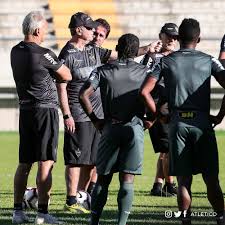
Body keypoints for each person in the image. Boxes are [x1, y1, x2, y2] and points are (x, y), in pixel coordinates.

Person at [57, 11, 158, 213]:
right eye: (89, 28)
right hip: (78, 114)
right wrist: (67, 114)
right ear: (78, 30)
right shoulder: (67, 55)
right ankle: (70, 201)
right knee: (76, 159)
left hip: (99, 115)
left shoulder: (95, 51)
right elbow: (61, 87)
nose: (93, 31)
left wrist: (148, 48)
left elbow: (124, 55)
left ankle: (82, 196)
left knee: (92, 161)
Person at [140, 18, 225, 225]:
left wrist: (159, 115)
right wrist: (220, 115)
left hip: (177, 125)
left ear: (178, 39)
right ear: (199, 38)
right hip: (202, 124)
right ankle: (221, 218)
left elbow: (144, 91)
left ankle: (185, 220)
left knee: (184, 181)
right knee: (211, 178)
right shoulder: (208, 60)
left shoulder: (166, 61)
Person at [79, 33, 151, 225]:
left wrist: (95, 120)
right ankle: (122, 223)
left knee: (102, 179)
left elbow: (83, 94)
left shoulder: (102, 70)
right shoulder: (145, 72)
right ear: (136, 52)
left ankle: (94, 221)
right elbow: (160, 98)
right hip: (134, 129)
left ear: (117, 49)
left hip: (110, 128)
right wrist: (150, 121)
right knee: (127, 179)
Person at [10, 11, 71, 224]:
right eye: (44, 30)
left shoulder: (14, 51)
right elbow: (66, 74)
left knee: (24, 162)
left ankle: (17, 212)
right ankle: (43, 214)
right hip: (44, 111)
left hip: (25, 110)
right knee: (46, 162)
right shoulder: (43, 53)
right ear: (37, 30)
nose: (45, 34)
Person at [141, 23, 178, 197]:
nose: (172, 39)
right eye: (169, 35)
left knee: (165, 149)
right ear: (160, 35)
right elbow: (142, 79)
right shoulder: (153, 57)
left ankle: (158, 185)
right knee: (169, 149)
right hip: (158, 108)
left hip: (171, 108)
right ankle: (170, 185)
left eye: (175, 36)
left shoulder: (178, 57)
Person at [87, 18, 111, 195]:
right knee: (82, 157)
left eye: (101, 35)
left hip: (101, 111)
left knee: (98, 152)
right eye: (95, 33)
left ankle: (91, 186)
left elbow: (126, 55)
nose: (97, 37)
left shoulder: (104, 56)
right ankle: (75, 193)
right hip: (82, 111)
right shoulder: (78, 51)